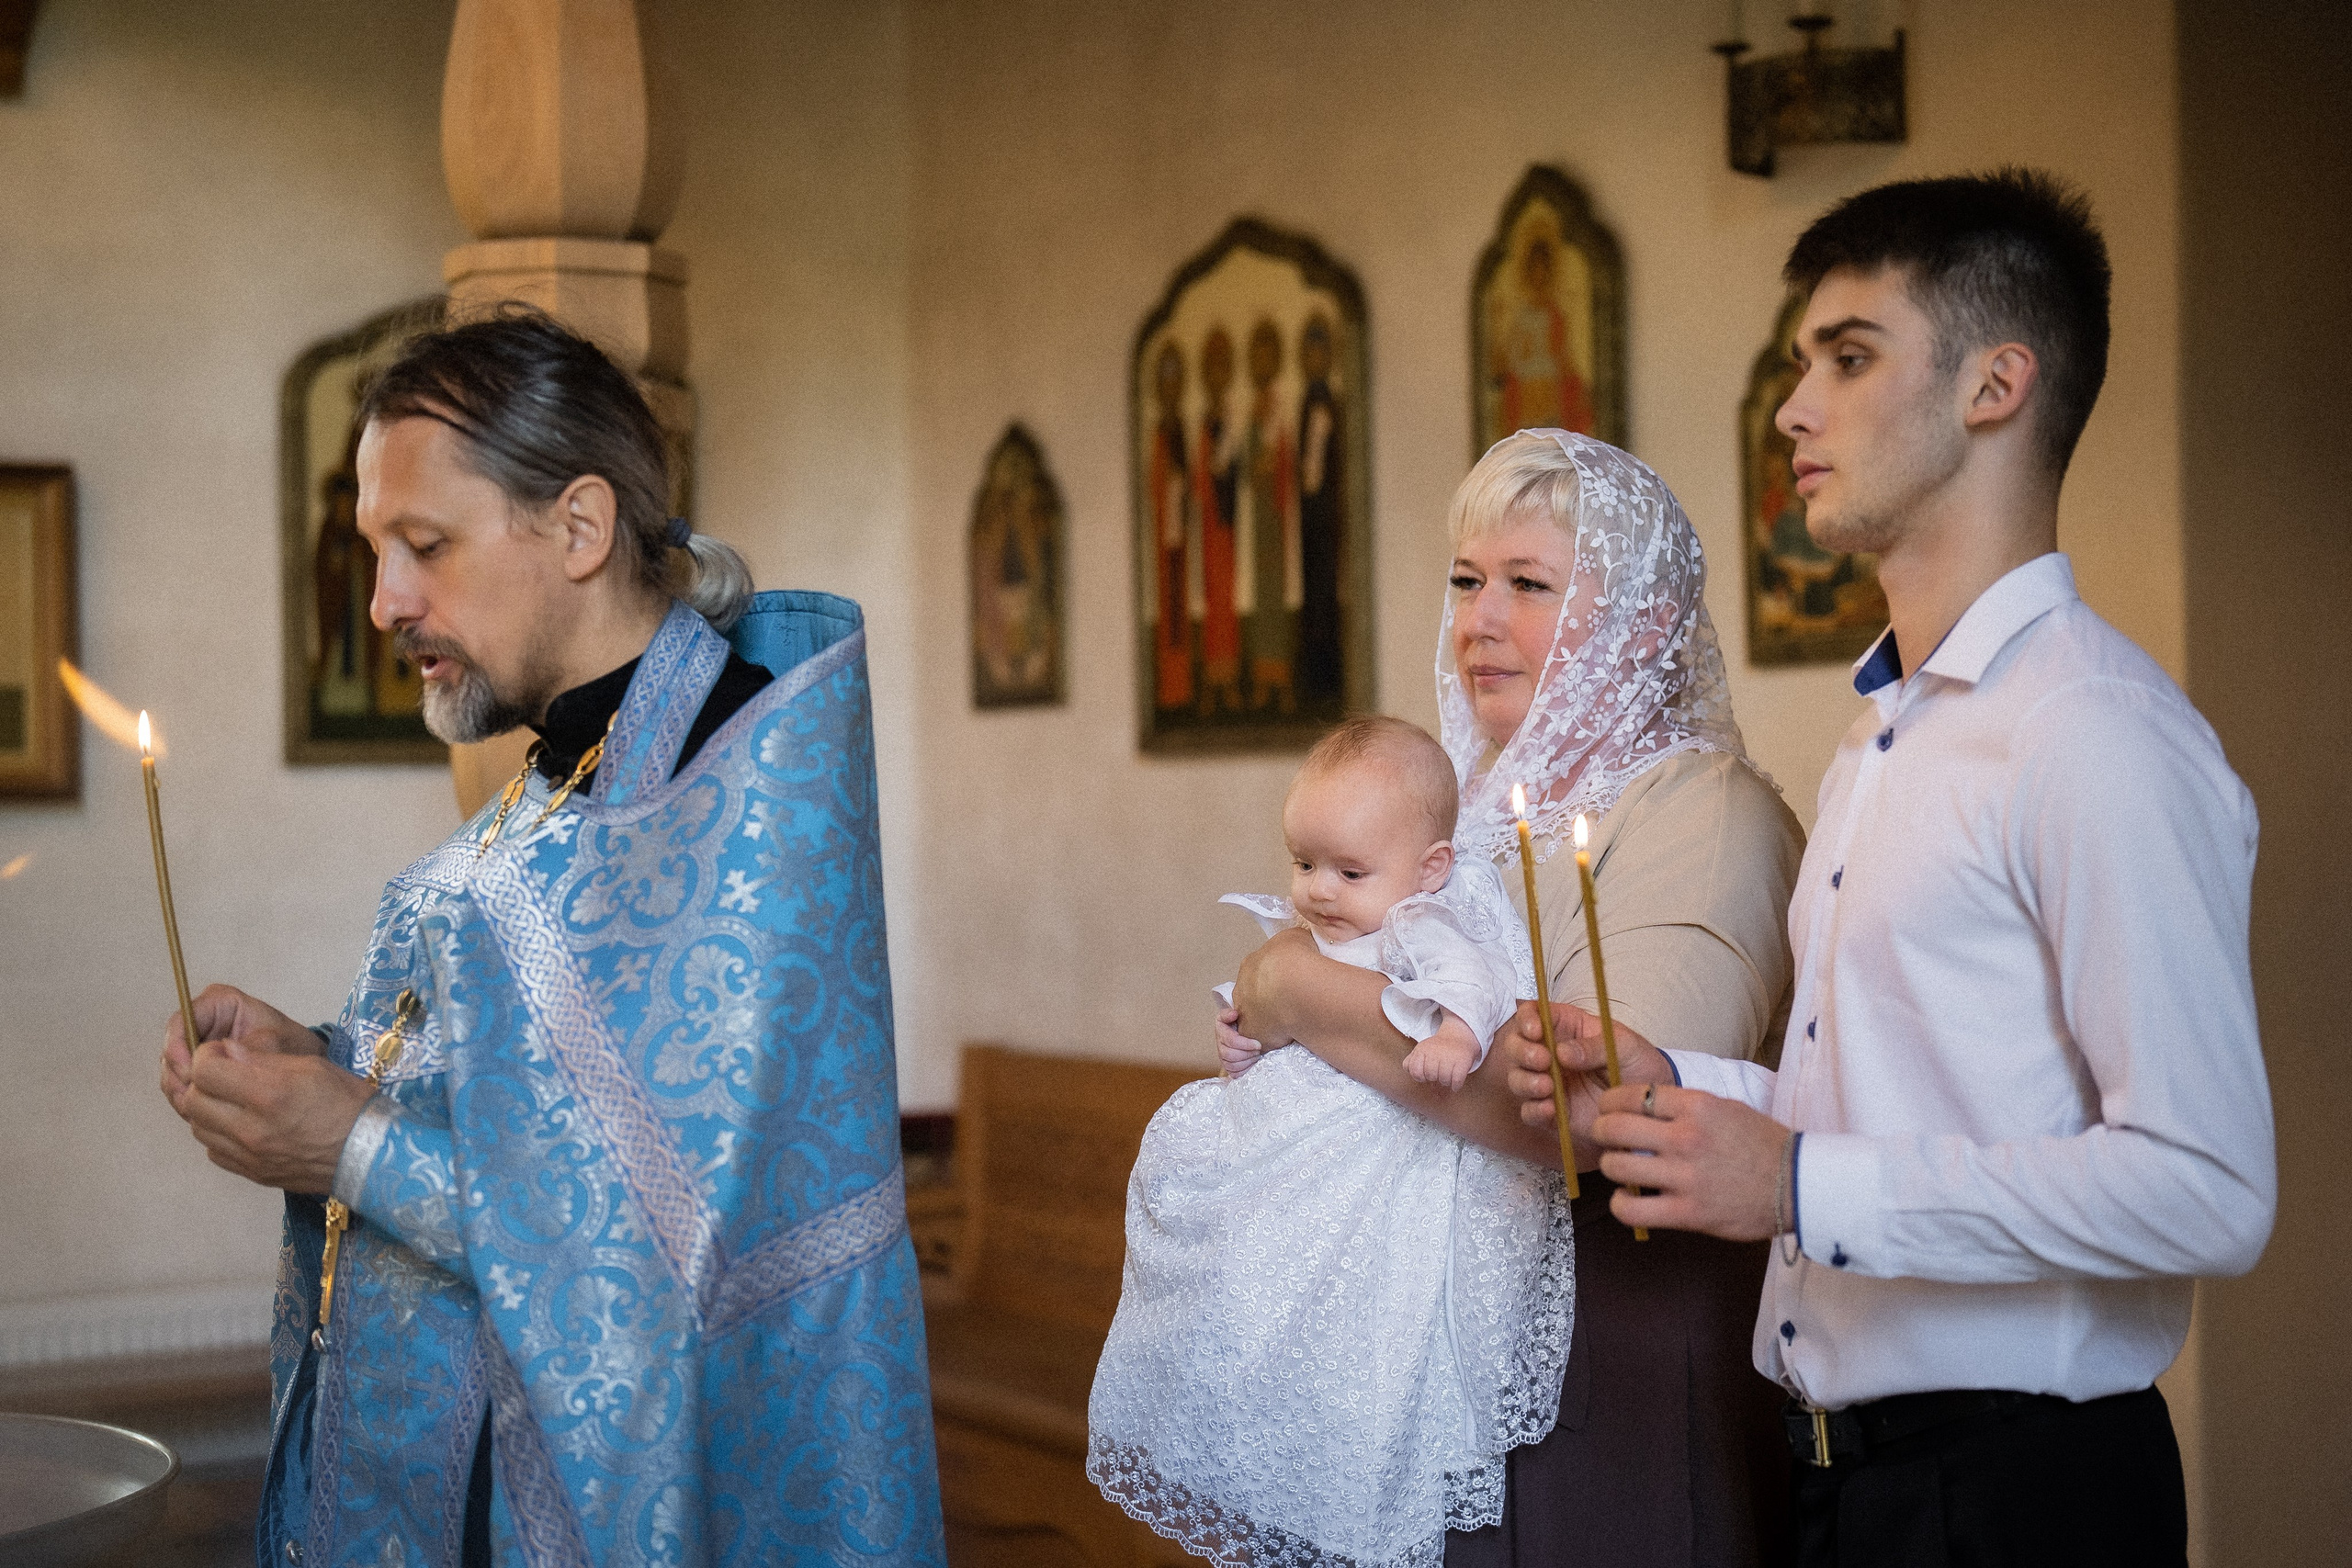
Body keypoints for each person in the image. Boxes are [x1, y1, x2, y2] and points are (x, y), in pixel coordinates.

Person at [1544, 170, 2276, 1566]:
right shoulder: (1885, 732)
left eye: (1848, 356)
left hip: (2018, 1494)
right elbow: (1889, 1104)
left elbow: (2206, 1185)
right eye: (1801, 363)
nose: (1791, 409)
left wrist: (1799, 1186)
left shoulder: (2092, 733)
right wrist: (1672, 1086)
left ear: (1996, 384)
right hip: (1841, 1483)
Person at [157, 310, 946, 1567]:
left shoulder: (743, 785)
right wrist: (319, 1058)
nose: (386, 600)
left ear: (580, 527)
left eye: (425, 545)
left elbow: (662, 1251)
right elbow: (535, 1100)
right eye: (375, 550)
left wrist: (346, 1139)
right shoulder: (567, 767)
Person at [1227, 430, 1804, 1567]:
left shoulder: (1704, 813)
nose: (1478, 620)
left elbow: (1606, 1118)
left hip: (1613, 1364)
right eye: (1465, 580)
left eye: (1529, 585)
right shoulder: (1465, 813)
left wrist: (1291, 986)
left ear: (1642, 621)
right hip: (1430, 1363)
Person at [1091, 716, 1564, 1568]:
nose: (1318, 890)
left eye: (1348, 871)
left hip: (1377, 1155)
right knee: (1227, 1239)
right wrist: (1239, 1035)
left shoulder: (1422, 924)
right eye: (1304, 863)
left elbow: (1482, 981)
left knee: (1346, 1304)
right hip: (1293, 1147)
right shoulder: (1318, 931)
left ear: (1430, 869)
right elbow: (1259, 1009)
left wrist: (1455, 1036)